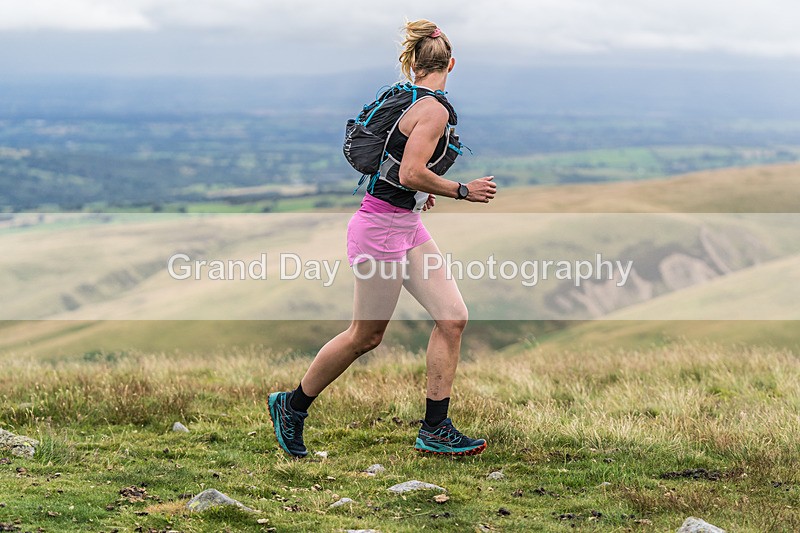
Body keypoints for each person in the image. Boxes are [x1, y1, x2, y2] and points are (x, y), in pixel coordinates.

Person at [268, 19, 497, 457]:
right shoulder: (434, 110)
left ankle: (435, 428)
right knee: (365, 335)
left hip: (404, 225)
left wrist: (420, 194)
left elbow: (397, 168)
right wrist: (461, 190)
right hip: (380, 231)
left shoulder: (405, 97)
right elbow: (410, 171)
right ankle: (291, 406)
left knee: (452, 318)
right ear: (451, 64)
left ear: (412, 64)